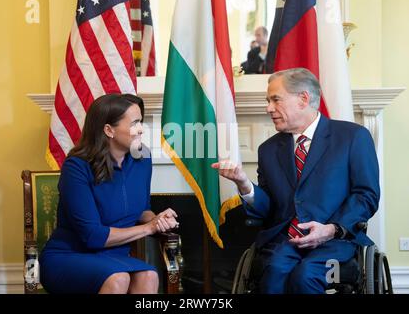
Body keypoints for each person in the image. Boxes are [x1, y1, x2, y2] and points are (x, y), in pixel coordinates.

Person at [212, 68, 379, 294]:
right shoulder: (269, 150)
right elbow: (268, 208)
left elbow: (366, 195)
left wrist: (331, 229)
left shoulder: (352, 137)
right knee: (273, 276)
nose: (269, 108)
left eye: (275, 99)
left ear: (303, 99)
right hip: (286, 242)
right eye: (268, 101)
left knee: (305, 276)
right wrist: (244, 183)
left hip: (336, 241)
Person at [39, 94, 179, 294]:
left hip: (115, 257)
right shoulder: (76, 167)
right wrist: (149, 228)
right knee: (117, 278)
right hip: (69, 255)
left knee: (149, 275)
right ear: (108, 130)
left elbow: (141, 209)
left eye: (141, 121)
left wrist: (157, 219)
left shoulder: (142, 158)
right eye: (134, 123)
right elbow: (92, 236)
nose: (141, 129)